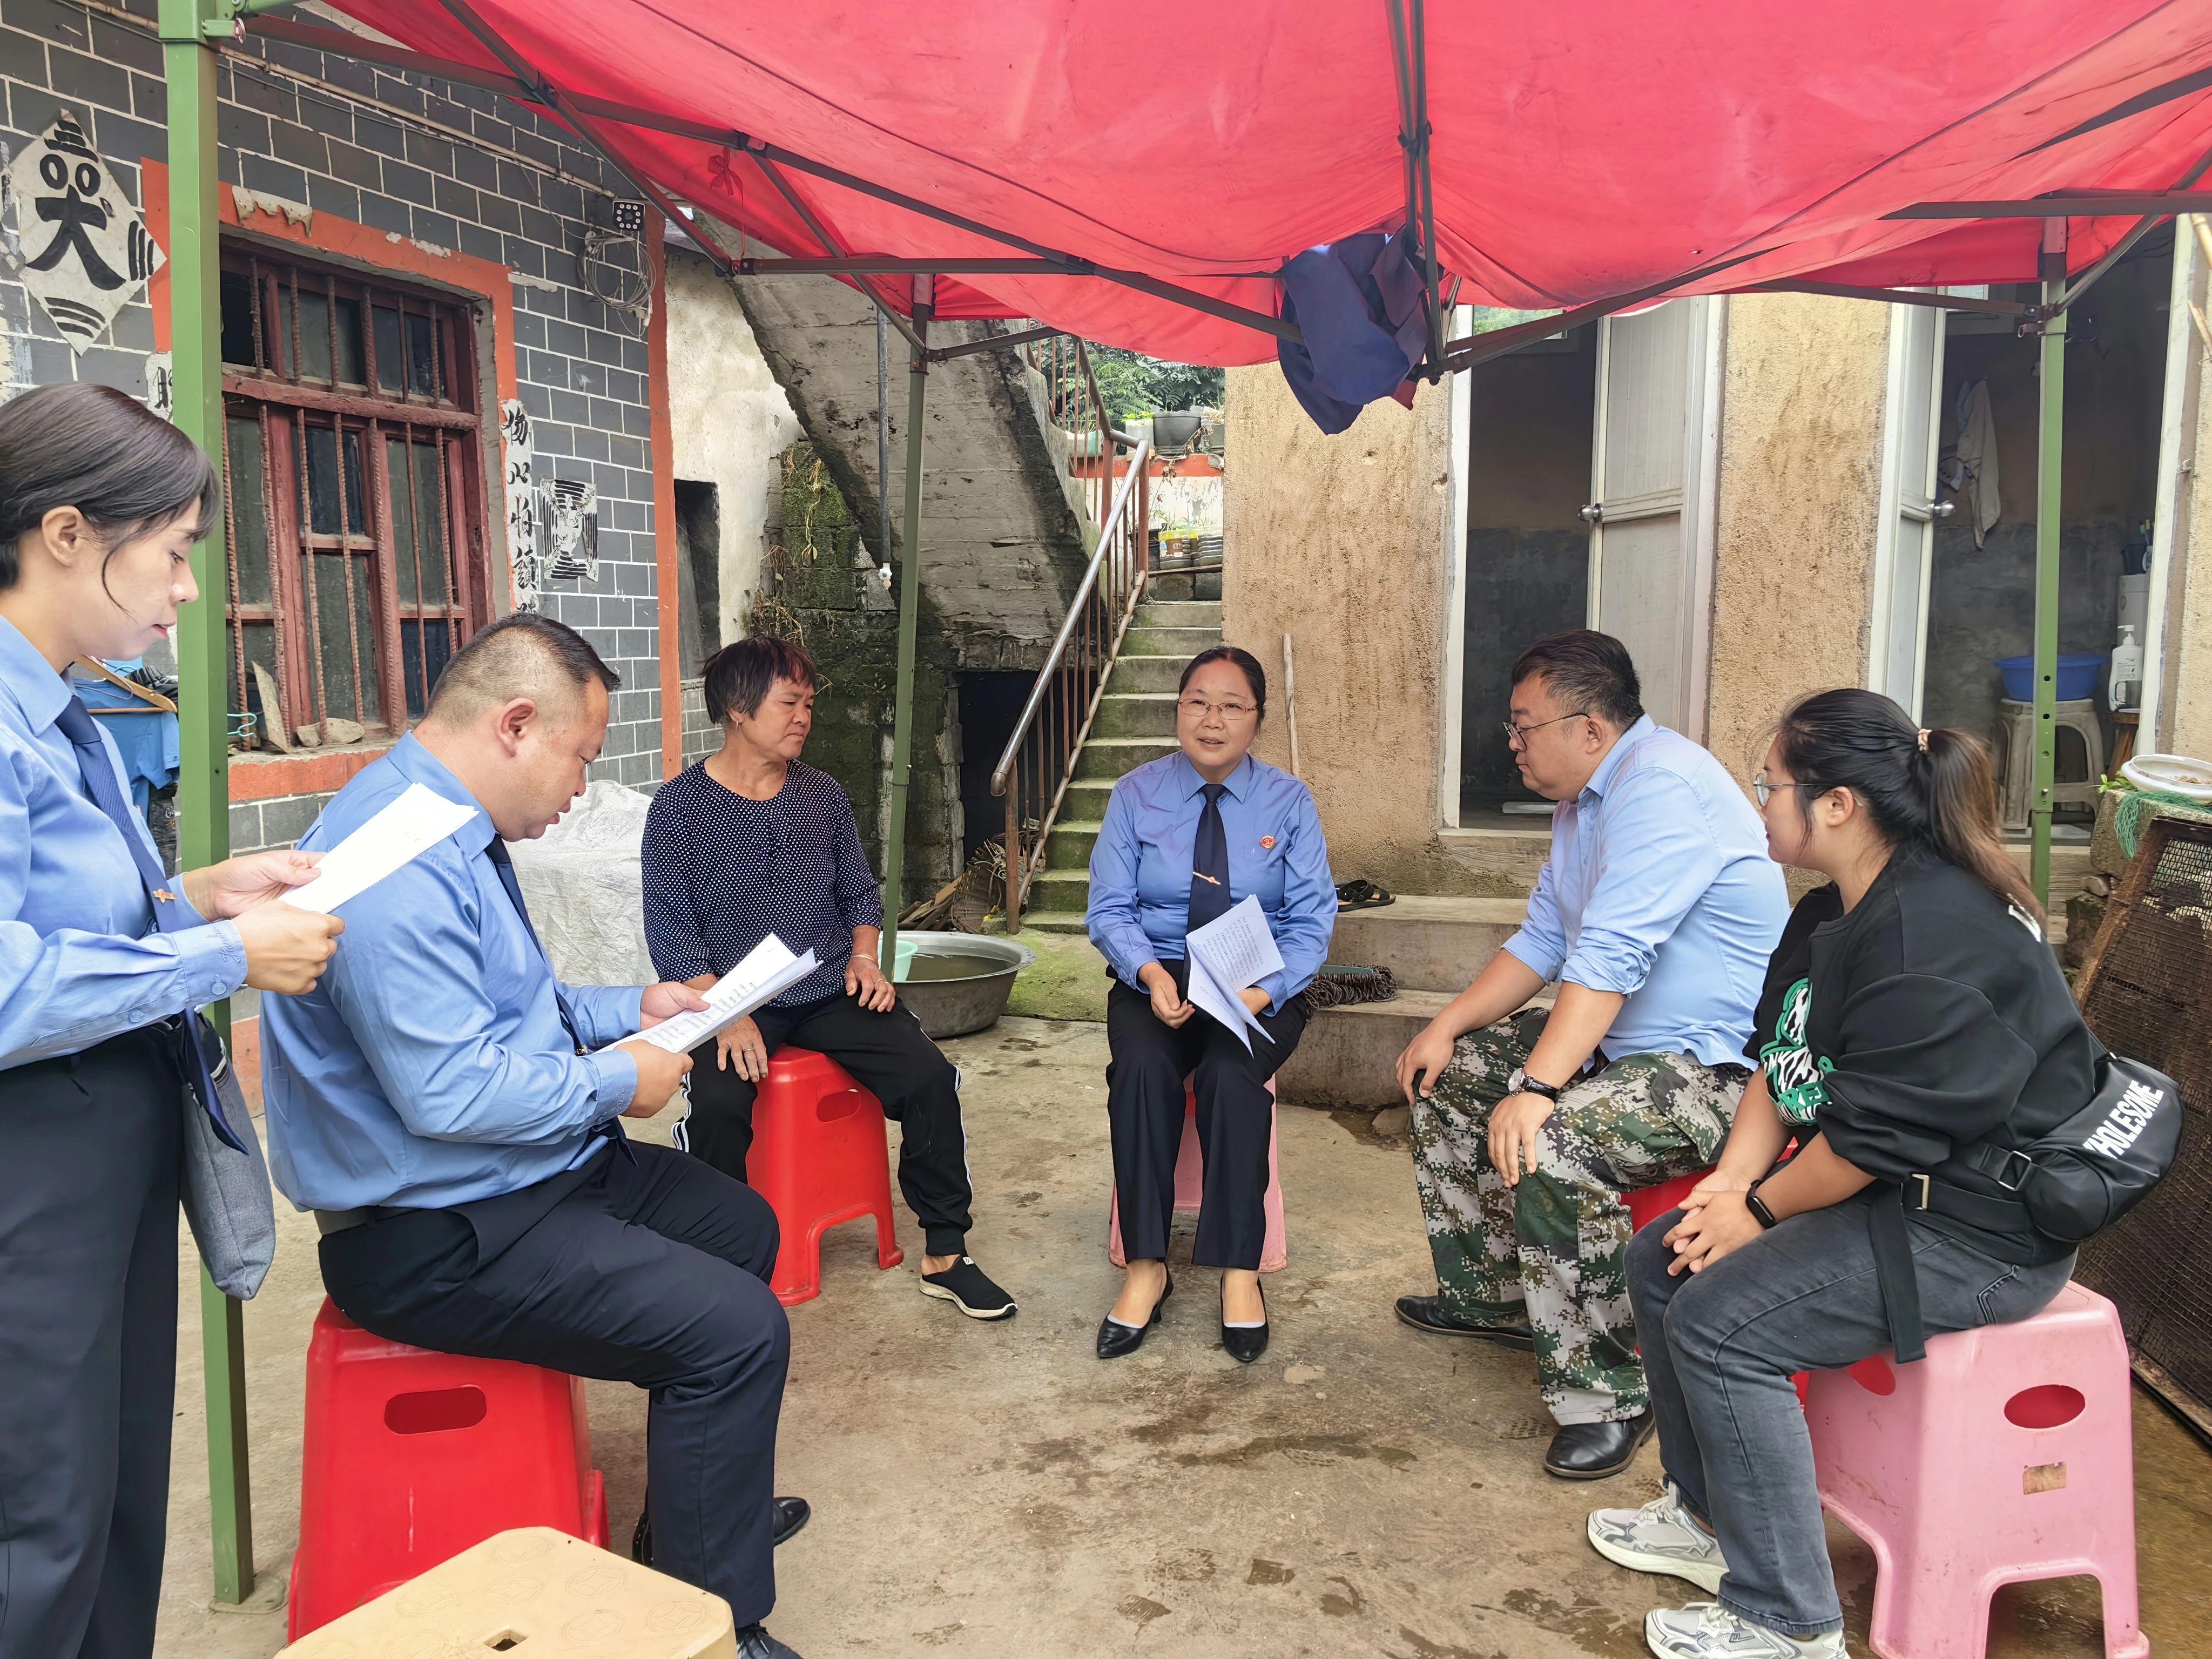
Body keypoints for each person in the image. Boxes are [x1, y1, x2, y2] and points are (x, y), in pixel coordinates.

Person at [260, 614, 806, 1659]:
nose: (580, 791)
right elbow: (449, 1092)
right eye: (581, 759)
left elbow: (518, 1008)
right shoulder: (393, 860)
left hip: (520, 1175)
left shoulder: (444, 826)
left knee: (740, 1227)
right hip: (436, 1229)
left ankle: (691, 1526)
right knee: (739, 1331)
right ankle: (716, 1624)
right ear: (515, 725)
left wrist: (632, 1008)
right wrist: (621, 1079)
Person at [1587, 689, 2092, 1659]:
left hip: (1981, 1234)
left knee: (1721, 1324)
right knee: (1666, 1257)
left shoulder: (1929, 935)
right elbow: (1779, 1066)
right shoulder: (1833, 908)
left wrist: (1759, 1208)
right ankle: (1707, 1519)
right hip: (1900, 1192)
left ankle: (1787, 1618)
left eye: (1768, 784)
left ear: (1837, 804)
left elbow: (1868, 1143)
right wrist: (1730, 1186)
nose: (1758, 802)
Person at [0, 383, 343, 1659]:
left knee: (114, 1493)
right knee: (38, 1518)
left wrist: (196, 896)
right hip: (33, 1164)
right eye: (177, 550)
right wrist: (225, 955)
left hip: (108, 1142)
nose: (189, 590)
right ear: (68, 534)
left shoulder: (64, 703)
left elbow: (64, 913)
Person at [1391, 630, 1788, 1479]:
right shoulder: (1584, 806)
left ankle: (1610, 1395)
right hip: (1622, 1051)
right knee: (1450, 1076)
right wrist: (1445, 1026)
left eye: (1524, 726)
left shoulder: (1662, 789)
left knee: (1555, 1142)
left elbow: (1609, 957)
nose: (1512, 743)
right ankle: (1497, 1300)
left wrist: (1539, 1086)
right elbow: (1544, 939)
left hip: (1716, 1070)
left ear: (1591, 729)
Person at [642, 636, 1015, 1320]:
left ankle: (945, 1251)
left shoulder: (821, 794)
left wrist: (865, 959)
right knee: (718, 1106)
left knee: (930, 1078)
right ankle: (718, 1266)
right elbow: (671, 930)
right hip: (727, 998)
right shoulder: (677, 809)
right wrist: (727, 1013)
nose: (803, 718)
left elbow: (859, 897)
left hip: (825, 989)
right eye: (789, 702)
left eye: (809, 705)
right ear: (736, 709)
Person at [1087, 645, 1336, 1363]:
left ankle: (1238, 1270)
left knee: (1231, 1076)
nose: (1212, 720)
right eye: (1198, 702)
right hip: (1161, 973)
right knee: (1140, 1070)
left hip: (1259, 978)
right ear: (1178, 711)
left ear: (1257, 719)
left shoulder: (1289, 802)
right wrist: (1148, 974)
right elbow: (1109, 908)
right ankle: (1147, 1267)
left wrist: (1260, 992)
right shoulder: (1135, 795)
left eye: (1232, 706)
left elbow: (1311, 922)